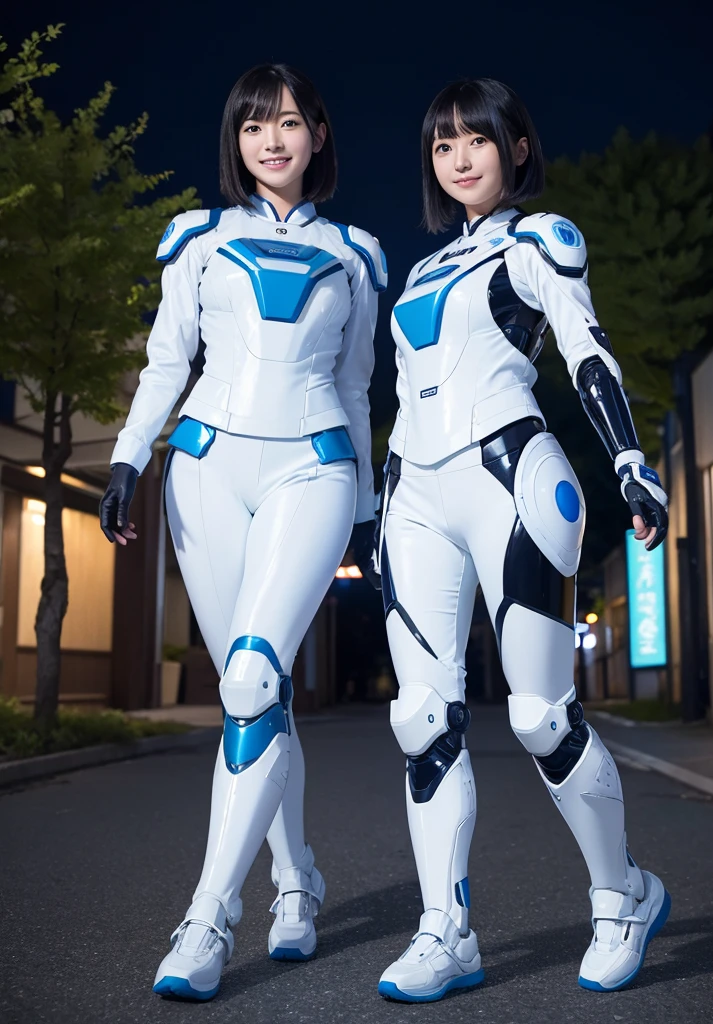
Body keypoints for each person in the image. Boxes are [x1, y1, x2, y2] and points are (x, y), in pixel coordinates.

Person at [376, 78, 670, 1003]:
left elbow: (586, 347)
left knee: (540, 715)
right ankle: (447, 932)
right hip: (414, 493)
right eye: (442, 146)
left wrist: (629, 456)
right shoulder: (419, 273)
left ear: (515, 149)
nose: (460, 158)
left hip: (512, 474)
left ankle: (623, 896)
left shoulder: (541, 239)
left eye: (478, 140)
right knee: (422, 717)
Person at [99, 63, 385, 1001]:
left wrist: (372, 517)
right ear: (235, 138)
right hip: (206, 470)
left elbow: (357, 391)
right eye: (256, 124)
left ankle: (209, 917)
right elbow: (164, 362)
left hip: (314, 466)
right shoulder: (196, 240)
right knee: (250, 698)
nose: (273, 139)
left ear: (319, 136)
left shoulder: (357, 256)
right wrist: (129, 460)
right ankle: (296, 880)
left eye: (292, 122)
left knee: (256, 674)